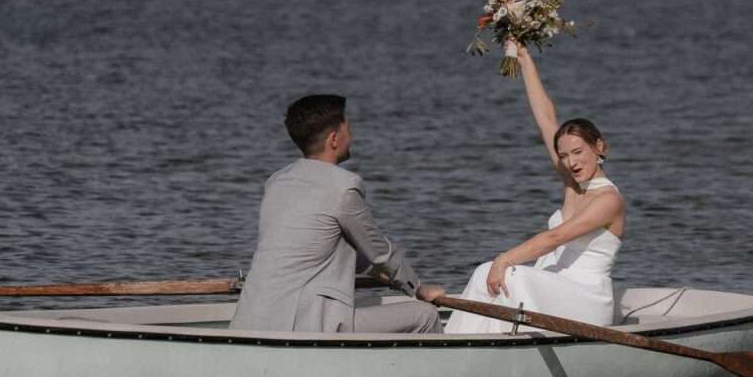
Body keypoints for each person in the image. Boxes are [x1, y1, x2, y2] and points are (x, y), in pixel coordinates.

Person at [445, 43, 626, 334]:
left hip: (586, 298)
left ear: (599, 147)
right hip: (555, 284)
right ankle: (455, 345)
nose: (571, 162)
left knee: (510, 274)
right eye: (564, 155)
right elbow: (545, 117)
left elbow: (556, 237)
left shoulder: (609, 200)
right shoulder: (572, 182)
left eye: (578, 152)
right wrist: (524, 58)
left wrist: (505, 258)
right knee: (483, 273)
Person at [232, 94, 444, 333]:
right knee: (425, 315)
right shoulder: (343, 187)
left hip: (252, 315)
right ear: (334, 139)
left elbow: (317, 246)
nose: (351, 137)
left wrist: (383, 274)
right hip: (306, 324)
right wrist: (416, 287)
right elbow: (380, 253)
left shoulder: (277, 182)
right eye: (348, 130)